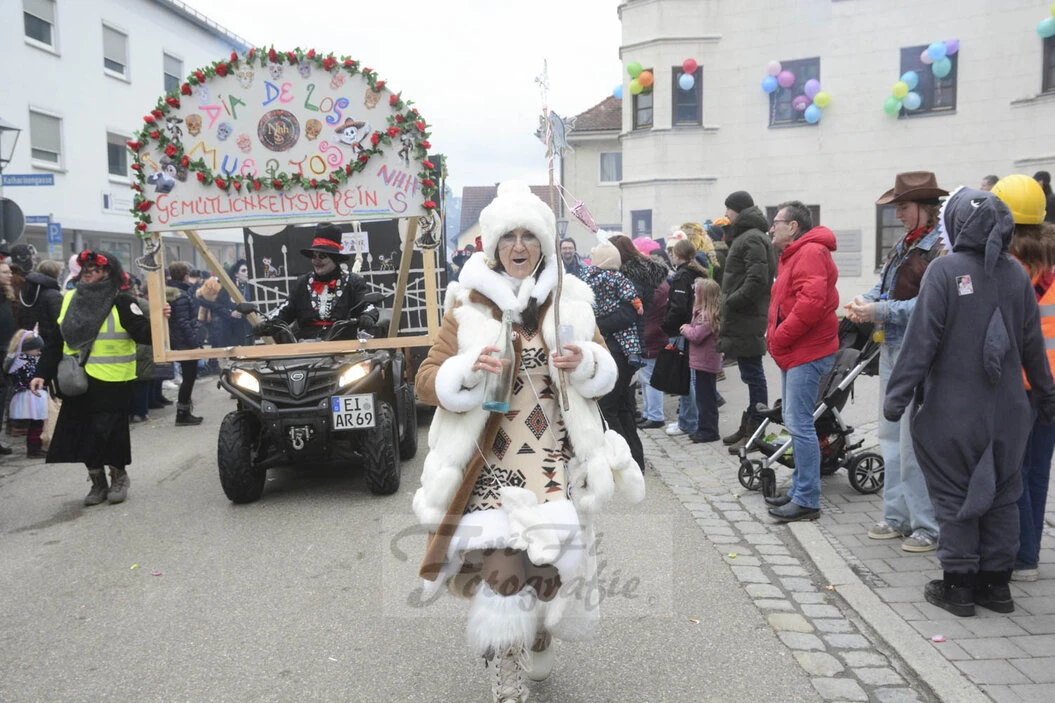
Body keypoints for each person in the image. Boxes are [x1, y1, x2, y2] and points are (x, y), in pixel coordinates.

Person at [412, 181, 643, 703]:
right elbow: (426, 380)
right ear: (493, 246)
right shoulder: (468, 305)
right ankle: (507, 679)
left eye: (529, 236)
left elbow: (606, 374)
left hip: (553, 461)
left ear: (544, 243)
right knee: (503, 571)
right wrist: (465, 371)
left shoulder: (571, 302)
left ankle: (537, 631)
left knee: (545, 568)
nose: (519, 246)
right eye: (509, 238)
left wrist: (585, 362)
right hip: (489, 464)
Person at [884, 187, 1055, 617]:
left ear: (958, 224)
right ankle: (996, 587)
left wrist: (897, 397)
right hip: (1010, 412)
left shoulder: (944, 271)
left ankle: (958, 586)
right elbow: (1033, 346)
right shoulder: (1016, 273)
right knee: (1003, 493)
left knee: (954, 492)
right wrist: (1046, 395)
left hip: (953, 411)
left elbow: (921, 342)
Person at [845, 171, 946, 553]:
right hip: (891, 347)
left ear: (924, 207)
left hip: (916, 351)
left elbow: (930, 305)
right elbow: (883, 286)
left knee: (912, 441)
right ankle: (897, 516)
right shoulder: (907, 243)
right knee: (890, 435)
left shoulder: (941, 249)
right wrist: (864, 301)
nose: (898, 214)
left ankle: (926, 526)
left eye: (903, 207)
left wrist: (879, 310)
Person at [30, 250, 154, 506]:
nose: (88, 274)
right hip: (77, 379)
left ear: (109, 273)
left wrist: (160, 320)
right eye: (86, 270)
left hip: (113, 381)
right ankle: (97, 482)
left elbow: (144, 334)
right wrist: (41, 373)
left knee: (110, 433)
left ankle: (118, 477)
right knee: (82, 432)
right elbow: (56, 340)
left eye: (95, 270)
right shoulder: (70, 298)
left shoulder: (122, 301)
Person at [992, 174, 1055, 582]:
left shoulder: (1007, 267)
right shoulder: (1049, 262)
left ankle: (1021, 556)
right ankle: (1029, 555)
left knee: (1013, 472)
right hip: (1051, 387)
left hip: (1020, 385)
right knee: (1037, 471)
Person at [763, 201, 839, 522]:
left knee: (800, 424)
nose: (771, 228)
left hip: (806, 352)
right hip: (797, 351)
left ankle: (807, 498)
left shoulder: (809, 252)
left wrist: (779, 336)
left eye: (776, 222)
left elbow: (810, 304)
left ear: (793, 226)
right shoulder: (797, 253)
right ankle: (799, 490)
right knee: (796, 422)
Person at [718, 190, 778, 454]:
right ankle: (750, 424)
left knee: (753, 374)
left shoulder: (752, 237)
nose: (726, 214)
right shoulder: (748, 235)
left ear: (738, 209)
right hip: (745, 315)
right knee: (749, 373)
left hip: (747, 315)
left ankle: (756, 430)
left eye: (728, 209)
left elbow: (757, 279)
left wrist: (732, 301)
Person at [581, 239, 646, 472]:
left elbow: (627, 316)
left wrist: (596, 325)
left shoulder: (621, 282)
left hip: (619, 353)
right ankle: (634, 460)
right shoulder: (609, 280)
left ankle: (624, 460)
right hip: (620, 352)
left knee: (610, 407)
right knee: (621, 407)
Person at [257, 224, 378, 339]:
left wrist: (367, 316)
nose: (316, 261)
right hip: (306, 345)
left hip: (342, 343)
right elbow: (286, 309)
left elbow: (367, 306)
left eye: (322, 256)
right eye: (314, 256)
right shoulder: (302, 283)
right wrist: (268, 324)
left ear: (335, 259)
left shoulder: (353, 282)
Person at [661, 239, 710, 437]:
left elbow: (679, 306)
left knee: (684, 378)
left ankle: (688, 421)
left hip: (682, 329)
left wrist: (667, 324)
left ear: (677, 255)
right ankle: (691, 419)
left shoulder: (682, 276)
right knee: (692, 377)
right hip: (695, 326)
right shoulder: (699, 273)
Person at [579, 240, 645, 367]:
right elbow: (628, 291)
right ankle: (633, 353)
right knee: (628, 331)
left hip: (594, 311)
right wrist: (637, 303)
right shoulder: (617, 277)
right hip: (612, 309)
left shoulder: (586, 275)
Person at [680, 277, 722, 443]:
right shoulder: (702, 313)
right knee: (703, 398)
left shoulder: (706, 316)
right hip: (702, 362)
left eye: (696, 293)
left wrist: (685, 329)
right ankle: (703, 427)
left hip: (705, 363)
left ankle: (709, 430)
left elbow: (697, 335)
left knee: (706, 399)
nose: (694, 296)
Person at [167, 261, 203, 426]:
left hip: (179, 340)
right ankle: (182, 414)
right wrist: (193, 341)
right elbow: (183, 322)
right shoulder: (181, 295)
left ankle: (185, 412)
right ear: (185, 276)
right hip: (185, 342)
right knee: (189, 377)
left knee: (188, 377)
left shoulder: (173, 292)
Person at [6, 330, 47, 458]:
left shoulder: (17, 360)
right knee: (37, 423)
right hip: (32, 395)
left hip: (26, 395)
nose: (39, 352)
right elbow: (32, 377)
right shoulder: (27, 362)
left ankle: (34, 447)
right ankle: (34, 449)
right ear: (28, 348)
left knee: (34, 423)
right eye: (37, 349)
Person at [15, 260, 63, 340]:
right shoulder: (55, 295)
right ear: (57, 274)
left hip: (27, 339)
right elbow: (59, 322)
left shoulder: (26, 291)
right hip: (49, 342)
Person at [0, 260, 16, 455]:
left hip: (5, 350)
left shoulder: (6, 295)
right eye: (5, 272)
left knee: (3, 394)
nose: (9, 274)